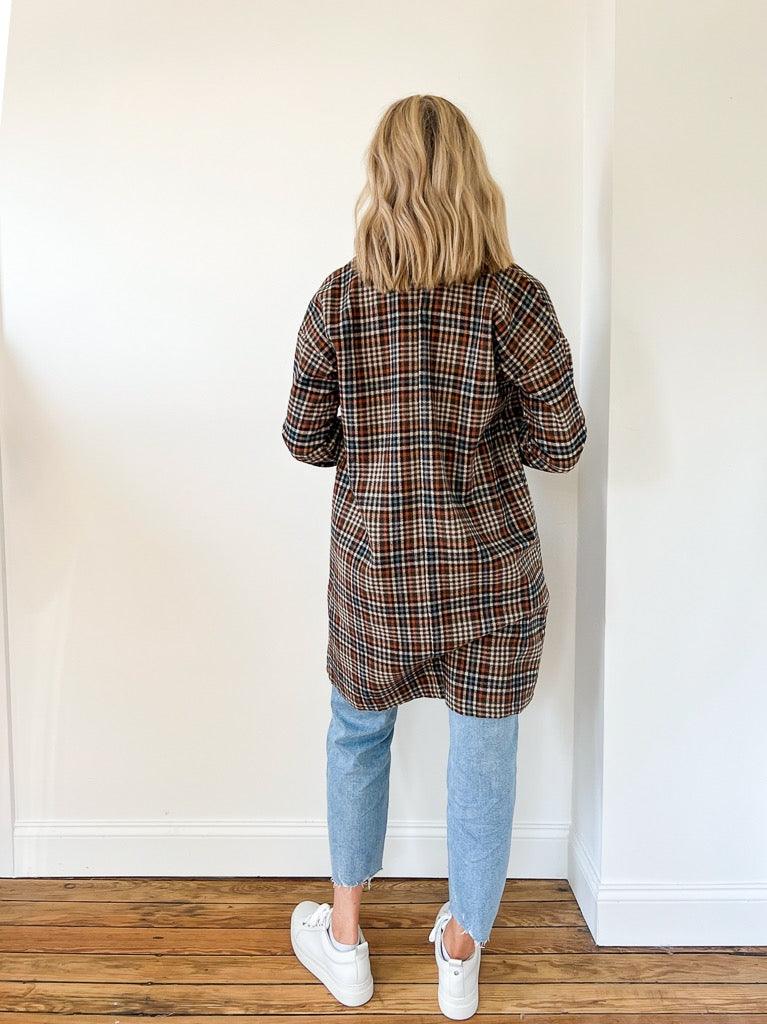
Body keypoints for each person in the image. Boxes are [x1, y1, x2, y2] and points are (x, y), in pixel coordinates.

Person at [281, 94, 586, 1020]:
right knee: (483, 758)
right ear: (472, 179)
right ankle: (460, 955)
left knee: (356, 737)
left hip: (375, 578)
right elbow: (561, 444)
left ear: (382, 180)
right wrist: (480, 446)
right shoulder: (514, 298)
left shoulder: (338, 298)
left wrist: (379, 448)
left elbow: (303, 439)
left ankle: (344, 943)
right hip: (491, 581)